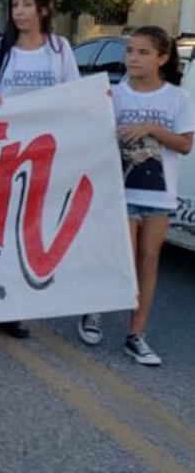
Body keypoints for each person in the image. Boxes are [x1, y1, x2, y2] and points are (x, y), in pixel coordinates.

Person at [0, 0, 79, 341]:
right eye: (15, 5)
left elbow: (76, 98)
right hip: (1, 156)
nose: (20, 12)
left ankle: (8, 310)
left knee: (22, 236)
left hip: (42, 158)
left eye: (27, 5)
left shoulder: (60, 49)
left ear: (44, 8)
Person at [77, 26, 194, 366]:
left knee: (148, 260)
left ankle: (136, 334)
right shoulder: (114, 95)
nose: (133, 58)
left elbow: (185, 145)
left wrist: (153, 129)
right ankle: (95, 310)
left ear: (162, 58)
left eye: (143, 52)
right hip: (121, 190)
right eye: (130, 51)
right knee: (121, 258)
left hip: (159, 195)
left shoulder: (177, 98)